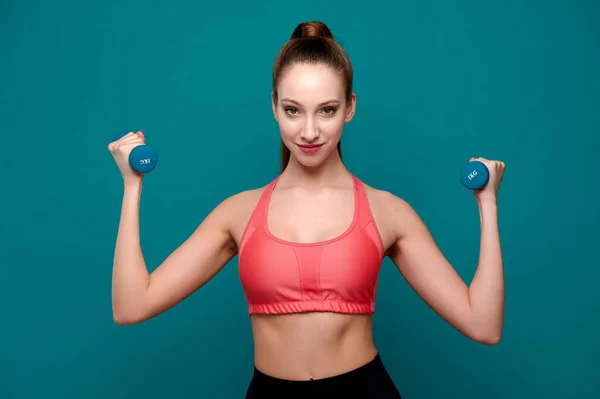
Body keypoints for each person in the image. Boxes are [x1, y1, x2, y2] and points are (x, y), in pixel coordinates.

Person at [108, 21, 506, 398]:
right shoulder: (238, 214)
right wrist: (131, 186)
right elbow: (132, 306)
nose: (310, 131)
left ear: (350, 107)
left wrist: (487, 203)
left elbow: (483, 324)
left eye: (327, 110)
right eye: (294, 110)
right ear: (274, 106)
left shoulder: (388, 212)